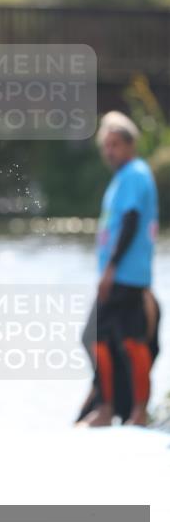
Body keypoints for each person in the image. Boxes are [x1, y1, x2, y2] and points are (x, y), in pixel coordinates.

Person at [77, 112, 160, 427]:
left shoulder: (135, 174)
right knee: (112, 340)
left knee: (110, 339)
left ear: (130, 144)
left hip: (126, 276)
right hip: (122, 275)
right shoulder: (124, 177)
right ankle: (113, 408)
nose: (109, 151)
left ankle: (127, 410)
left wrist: (111, 268)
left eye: (115, 144)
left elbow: (131, 221)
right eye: (106, 146)